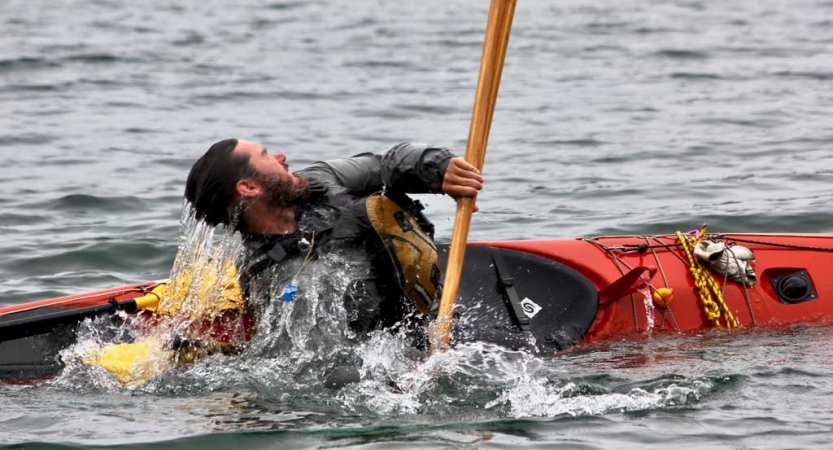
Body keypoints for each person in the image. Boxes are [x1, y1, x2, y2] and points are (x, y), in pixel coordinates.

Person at [184, 139, 483, 353]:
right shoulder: (285, 284)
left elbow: (386, 163)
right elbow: (325, 364)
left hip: (444, 318)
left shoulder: (320, 180)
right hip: (405, 361)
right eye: (266, 156)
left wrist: (440, 168)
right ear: (249, 188)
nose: (281, 157)